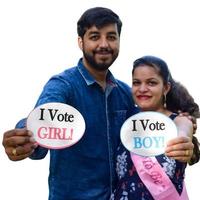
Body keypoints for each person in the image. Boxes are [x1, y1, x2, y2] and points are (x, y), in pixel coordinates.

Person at [2, 8, 195, 200]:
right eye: (95, 36)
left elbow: (156, 126)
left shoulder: (125, 93)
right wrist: (23, 137)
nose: (104, 44)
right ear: (81, 42)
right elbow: (43, 118)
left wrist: (186, 139)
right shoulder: (63, 85)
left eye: (111, 37)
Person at [111, 55, 200, 200]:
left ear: (166, 88)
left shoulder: (179, 120)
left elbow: (183, 131)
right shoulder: (126, 122)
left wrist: (183, 141)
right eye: (136, 82)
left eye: (151, 83)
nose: (142, 89)